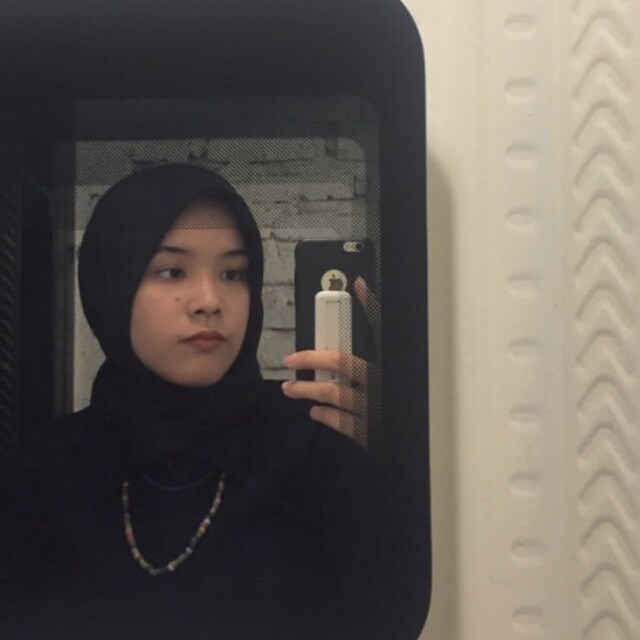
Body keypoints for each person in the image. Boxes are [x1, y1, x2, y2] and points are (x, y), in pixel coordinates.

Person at [1, 163, 392, 639]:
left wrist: (401, 445)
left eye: (233, 273)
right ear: (112, 283)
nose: (209, 300)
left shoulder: (313, 438)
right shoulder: (51, 467)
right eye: (172, 271)